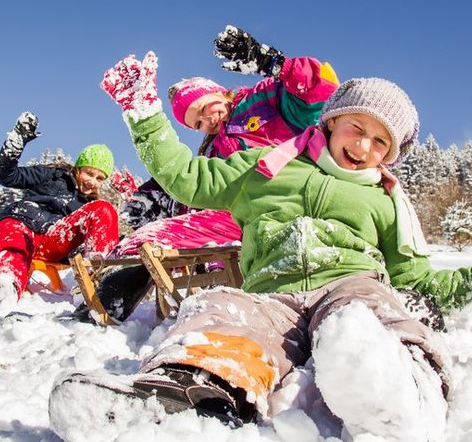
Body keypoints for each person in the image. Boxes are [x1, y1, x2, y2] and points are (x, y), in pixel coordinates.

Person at [50, 53, 472, 442]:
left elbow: (418, 278)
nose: (363, 147)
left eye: (381, 142)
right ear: (333, 121)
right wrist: (145, 114)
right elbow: (186, 177)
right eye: (357, 128)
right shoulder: (266, 166)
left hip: (351, 282)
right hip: (273, 291)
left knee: (368, 314)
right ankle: (178, 394)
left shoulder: (385, 199)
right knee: (220, 309)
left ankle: (401, 393)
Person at [72, 26, 341, 323]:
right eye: (197, 123)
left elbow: (322, 95)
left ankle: (106, 303)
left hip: (284, 207)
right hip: (235, 218)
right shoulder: (211, 151)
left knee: (159, 236)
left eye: (203, 108)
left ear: (216, 91)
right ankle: (101, 302)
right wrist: (146, 195)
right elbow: (193, 183)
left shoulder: (263, 100)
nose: (207, 121)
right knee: (152, 237)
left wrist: (274, 64)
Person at [0, 111, 120, 318]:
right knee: (13, 247)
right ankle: (2, 287)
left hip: (54, 239)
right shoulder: (52, 175)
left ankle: (94, 286)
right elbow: (6, 176)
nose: (92, 182)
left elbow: (96, 238)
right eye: (89, 173)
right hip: (21, 223)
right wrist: (16, 142)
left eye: (99, 178)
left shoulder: (90, 205)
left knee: (104, 209)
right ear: (77, 168)